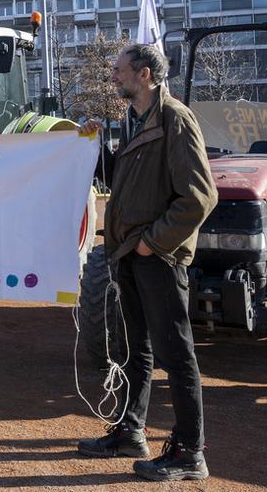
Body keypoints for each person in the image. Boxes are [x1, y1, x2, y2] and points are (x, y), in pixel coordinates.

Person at [77, 44, 217, 482]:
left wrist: (151, 244)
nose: (113, 77)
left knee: (176, 355)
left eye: (119, 71)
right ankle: (130, 432)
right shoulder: (132, 120)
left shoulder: (175, 117)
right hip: (129, 256)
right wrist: (97, 145)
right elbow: (124, 181)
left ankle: (189, 452)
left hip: (157, 256)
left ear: (144, 74)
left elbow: (199, 196)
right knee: (137, 350)